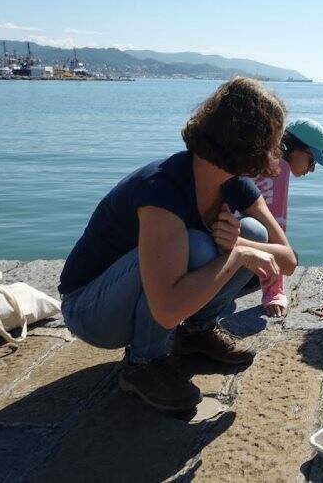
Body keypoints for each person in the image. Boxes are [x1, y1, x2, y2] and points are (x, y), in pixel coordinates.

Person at [58, 77, 298, 412]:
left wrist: (241, 241)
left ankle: (197, 334)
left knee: (255, 233)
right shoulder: (163, 189)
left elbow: (287, 260)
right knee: (199, 246)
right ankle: (142, 365)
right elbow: (168, 309)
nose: (278, 151)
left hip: (149, 299)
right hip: (91, 311)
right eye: (274, 141)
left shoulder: (234, 185)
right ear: (250, 144)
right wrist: (237, 253)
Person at [255, 118, 323, 317]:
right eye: (312, 160)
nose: (312, 168)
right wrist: (274, 294)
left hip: (217, 245)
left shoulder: (258, 155)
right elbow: (275, 227)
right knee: (290, 259)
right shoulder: (277, 168)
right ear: (295, 149)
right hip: (232, 248)